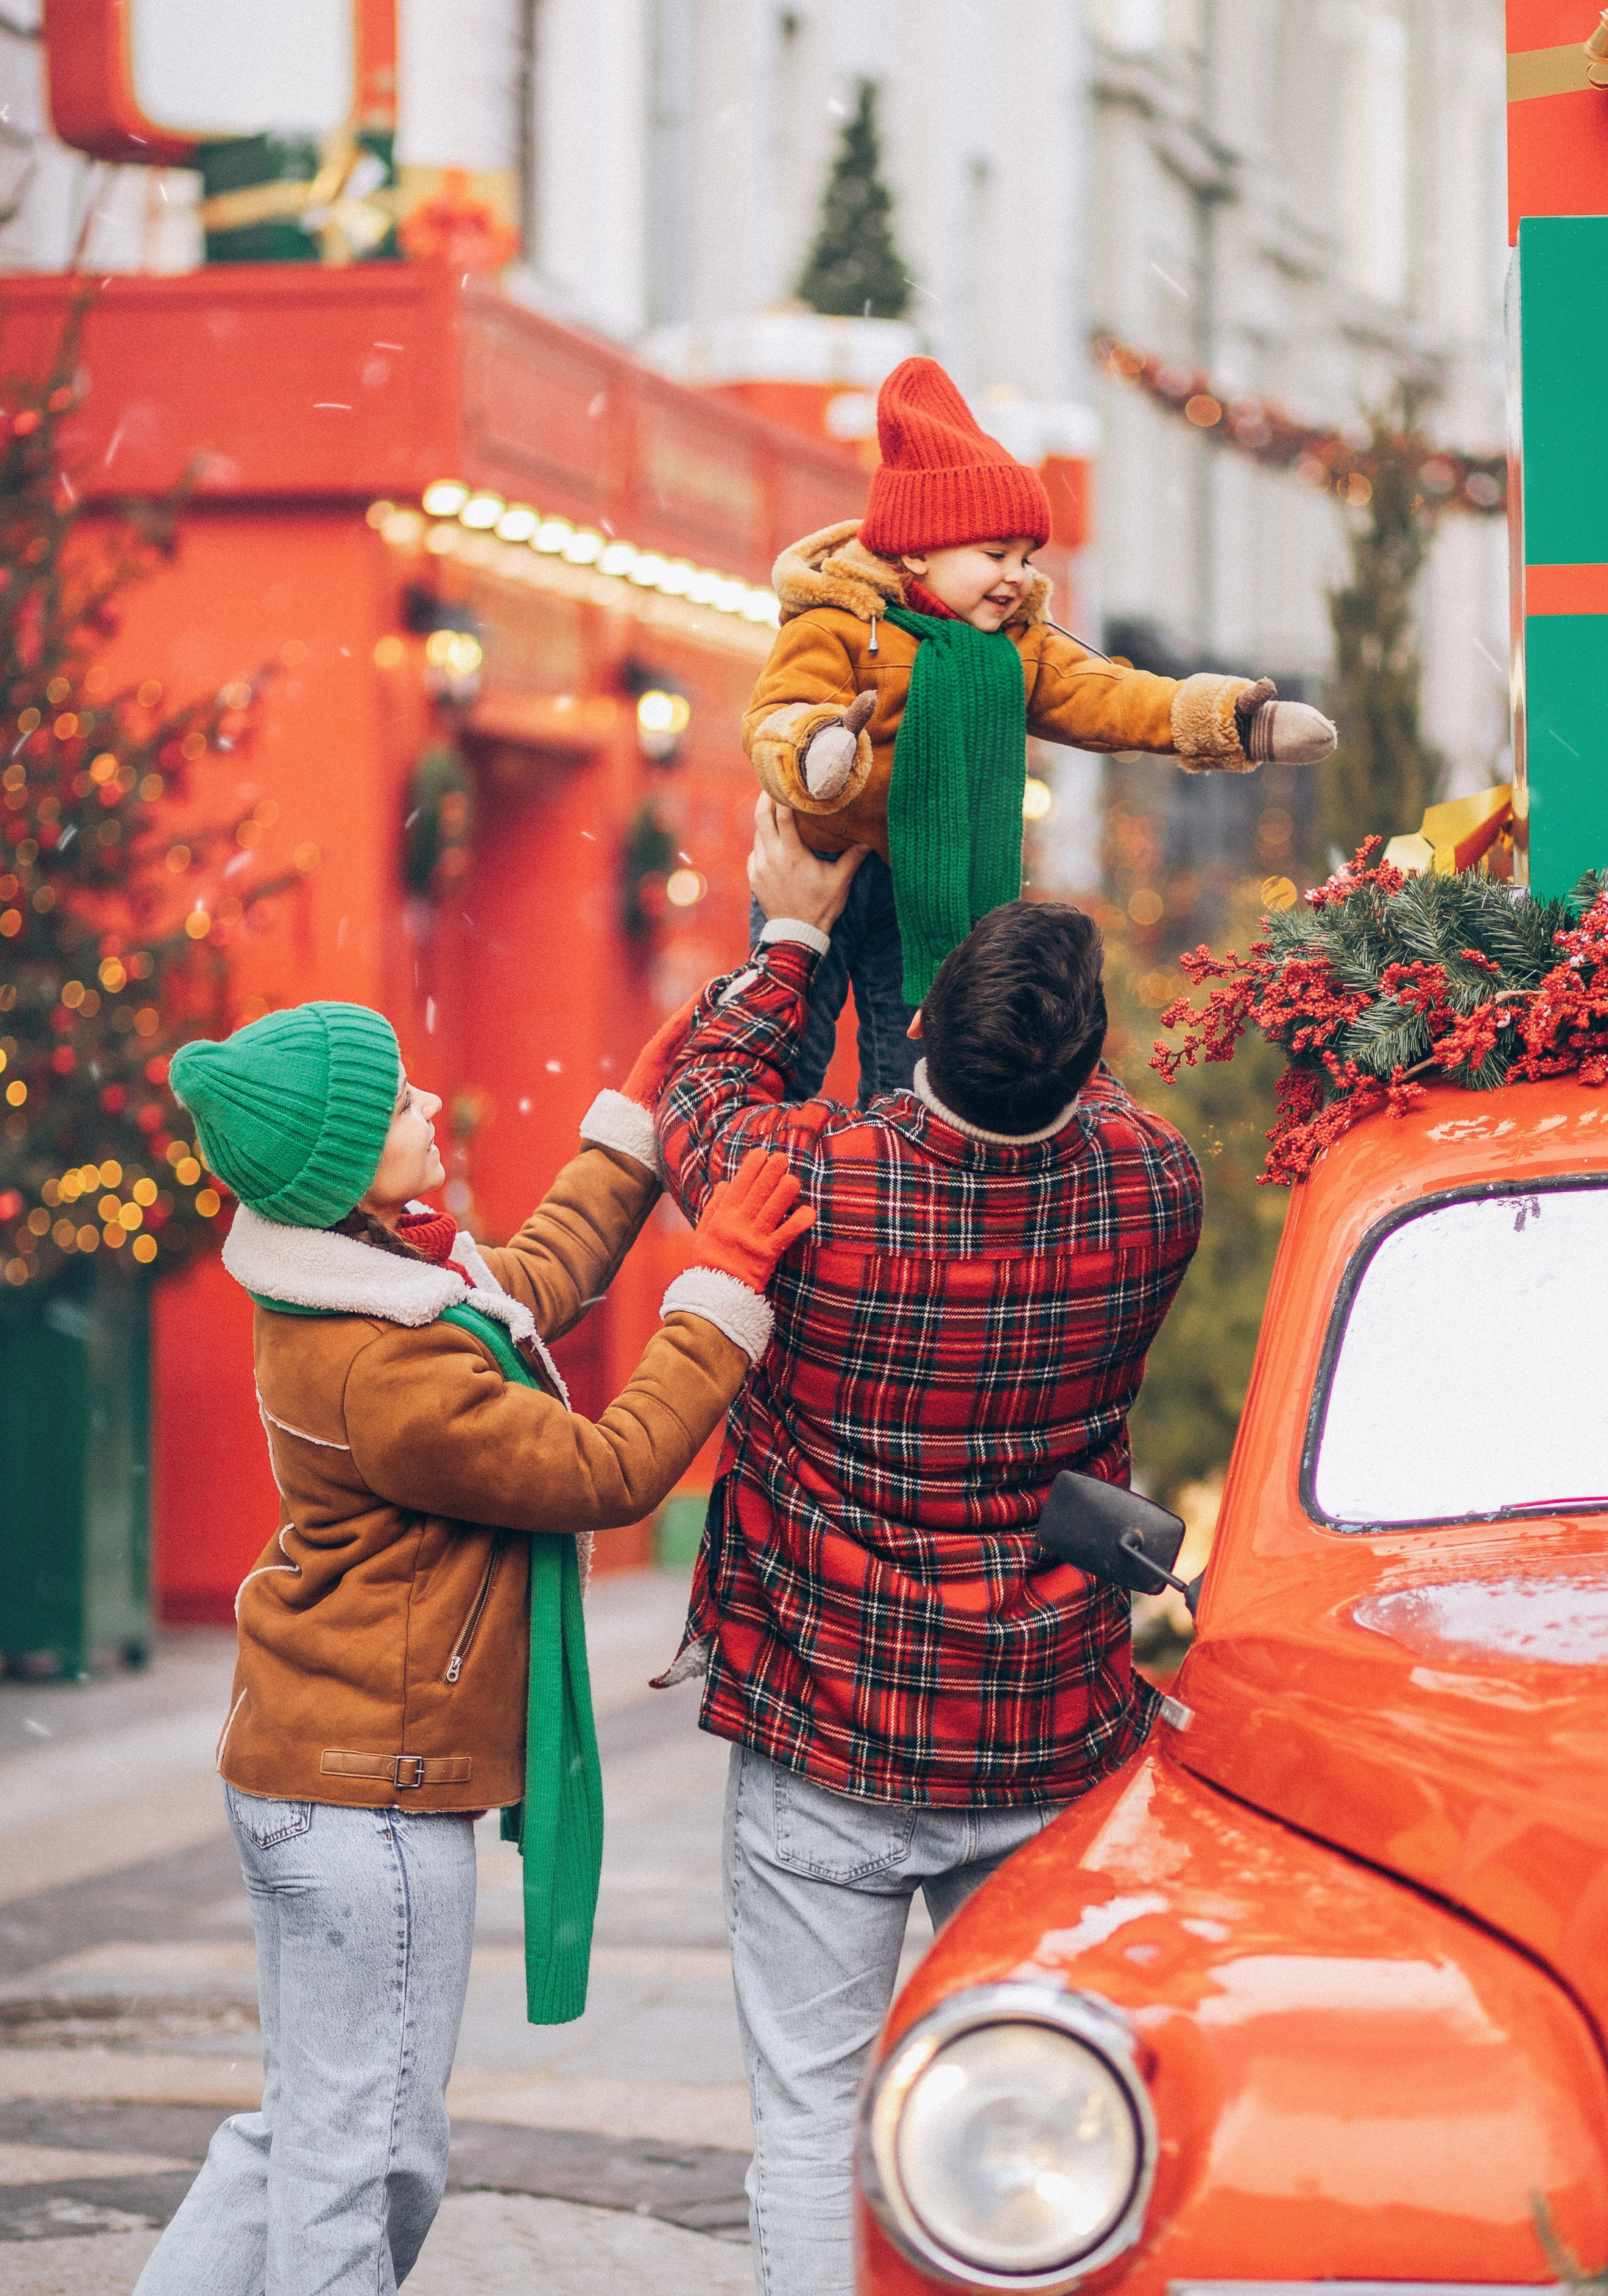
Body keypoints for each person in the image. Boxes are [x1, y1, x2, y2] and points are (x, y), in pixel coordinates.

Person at [135, 995, 810, 2296]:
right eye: (395, 1105)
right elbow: (608, 1467)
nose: (428, 1105)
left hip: (315, 1769)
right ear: (339, 1169)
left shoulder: (383, 1275)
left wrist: (626, 1132)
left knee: (305, 2129)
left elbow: (533, 1280)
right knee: (370, 2157)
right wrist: (721, 1288)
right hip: (362, 1796)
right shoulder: (383, 1359)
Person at [653, 801, 1207, 2296]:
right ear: (1082, 1064)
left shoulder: (809, 1188)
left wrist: (788, 930)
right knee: (1035, 2126)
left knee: (807, 2123)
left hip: (822, 1725)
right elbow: (1097, 1142)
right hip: (1044, 1736)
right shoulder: (1154, 1188)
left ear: (917, 1030)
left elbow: (696, 1092)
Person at [741, 353, 1336, 1101]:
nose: (1017, 576)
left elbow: (1107, 694)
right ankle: (773, 1160)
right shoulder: (836, 622)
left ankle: (906, 1173)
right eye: (994, 554)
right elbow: (778, 710)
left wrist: (1229, 720)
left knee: (917, 1056)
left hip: (929, 881)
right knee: (790, 1035)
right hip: (819, 863)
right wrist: (819, 745)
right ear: (917, 548)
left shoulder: (1015, 646)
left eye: (1025, 556)